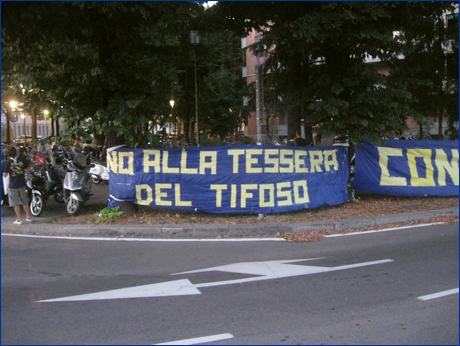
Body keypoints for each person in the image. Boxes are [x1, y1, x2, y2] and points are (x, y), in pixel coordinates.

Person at [2, 146, 32, 225]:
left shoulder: (7, 162)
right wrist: (23, 170)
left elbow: (5, 174)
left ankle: (19, 219)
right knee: (24, 201)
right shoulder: (22, 159)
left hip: (12, 185)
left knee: (15, 203)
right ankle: (28, 217)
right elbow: (29, 168)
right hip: (22, 183)